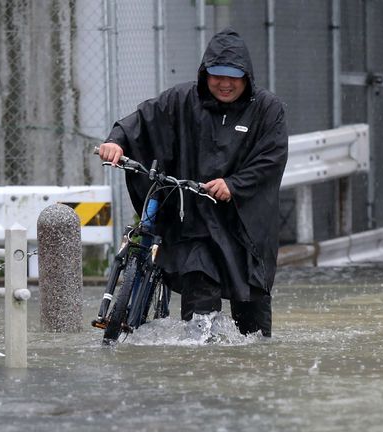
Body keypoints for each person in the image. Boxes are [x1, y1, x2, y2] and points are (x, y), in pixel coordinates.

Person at [98, 28, 289, 337]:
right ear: (205, 74)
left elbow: (272, 158)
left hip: (245, 223)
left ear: (247, 76)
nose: (225, 84)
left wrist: (234, 185)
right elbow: (142, 120)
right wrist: (116, 142)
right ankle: (198, 359)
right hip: (195, 220)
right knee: (200, 295)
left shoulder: (268, 109)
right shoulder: (182, 100)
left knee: (253, 321)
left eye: (234, 77)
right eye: (217, 76)